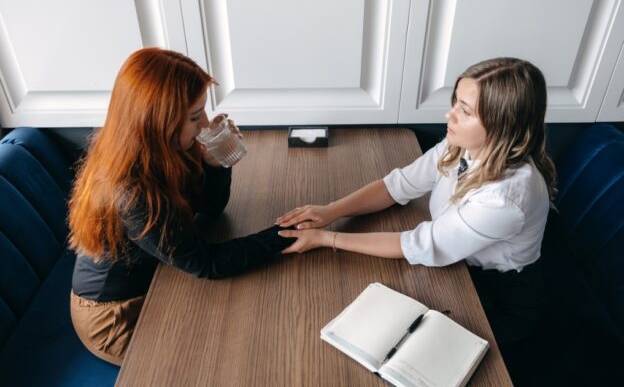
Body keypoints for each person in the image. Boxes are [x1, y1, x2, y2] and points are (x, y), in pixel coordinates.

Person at [276, 57, 556, 346]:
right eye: (455, 102)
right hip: (456, 267)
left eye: (465, 110)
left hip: (496, 297)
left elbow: (420, 245)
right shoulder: (461, 143)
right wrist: (330, 211)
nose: (450, 115)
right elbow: (399, 185)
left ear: (502, 124)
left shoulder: (506, 198)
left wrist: (326, 238)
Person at [68, 47, 294, 365]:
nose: (204, 124)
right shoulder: (131, 190)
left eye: (202, 111)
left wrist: (214, 165)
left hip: (157, 277)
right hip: (115, 316)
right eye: (193, 117)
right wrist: (288, 234)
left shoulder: (159, 149)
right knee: (216, 358)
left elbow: (211, 209)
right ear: (157, 121)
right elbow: (206, 263)